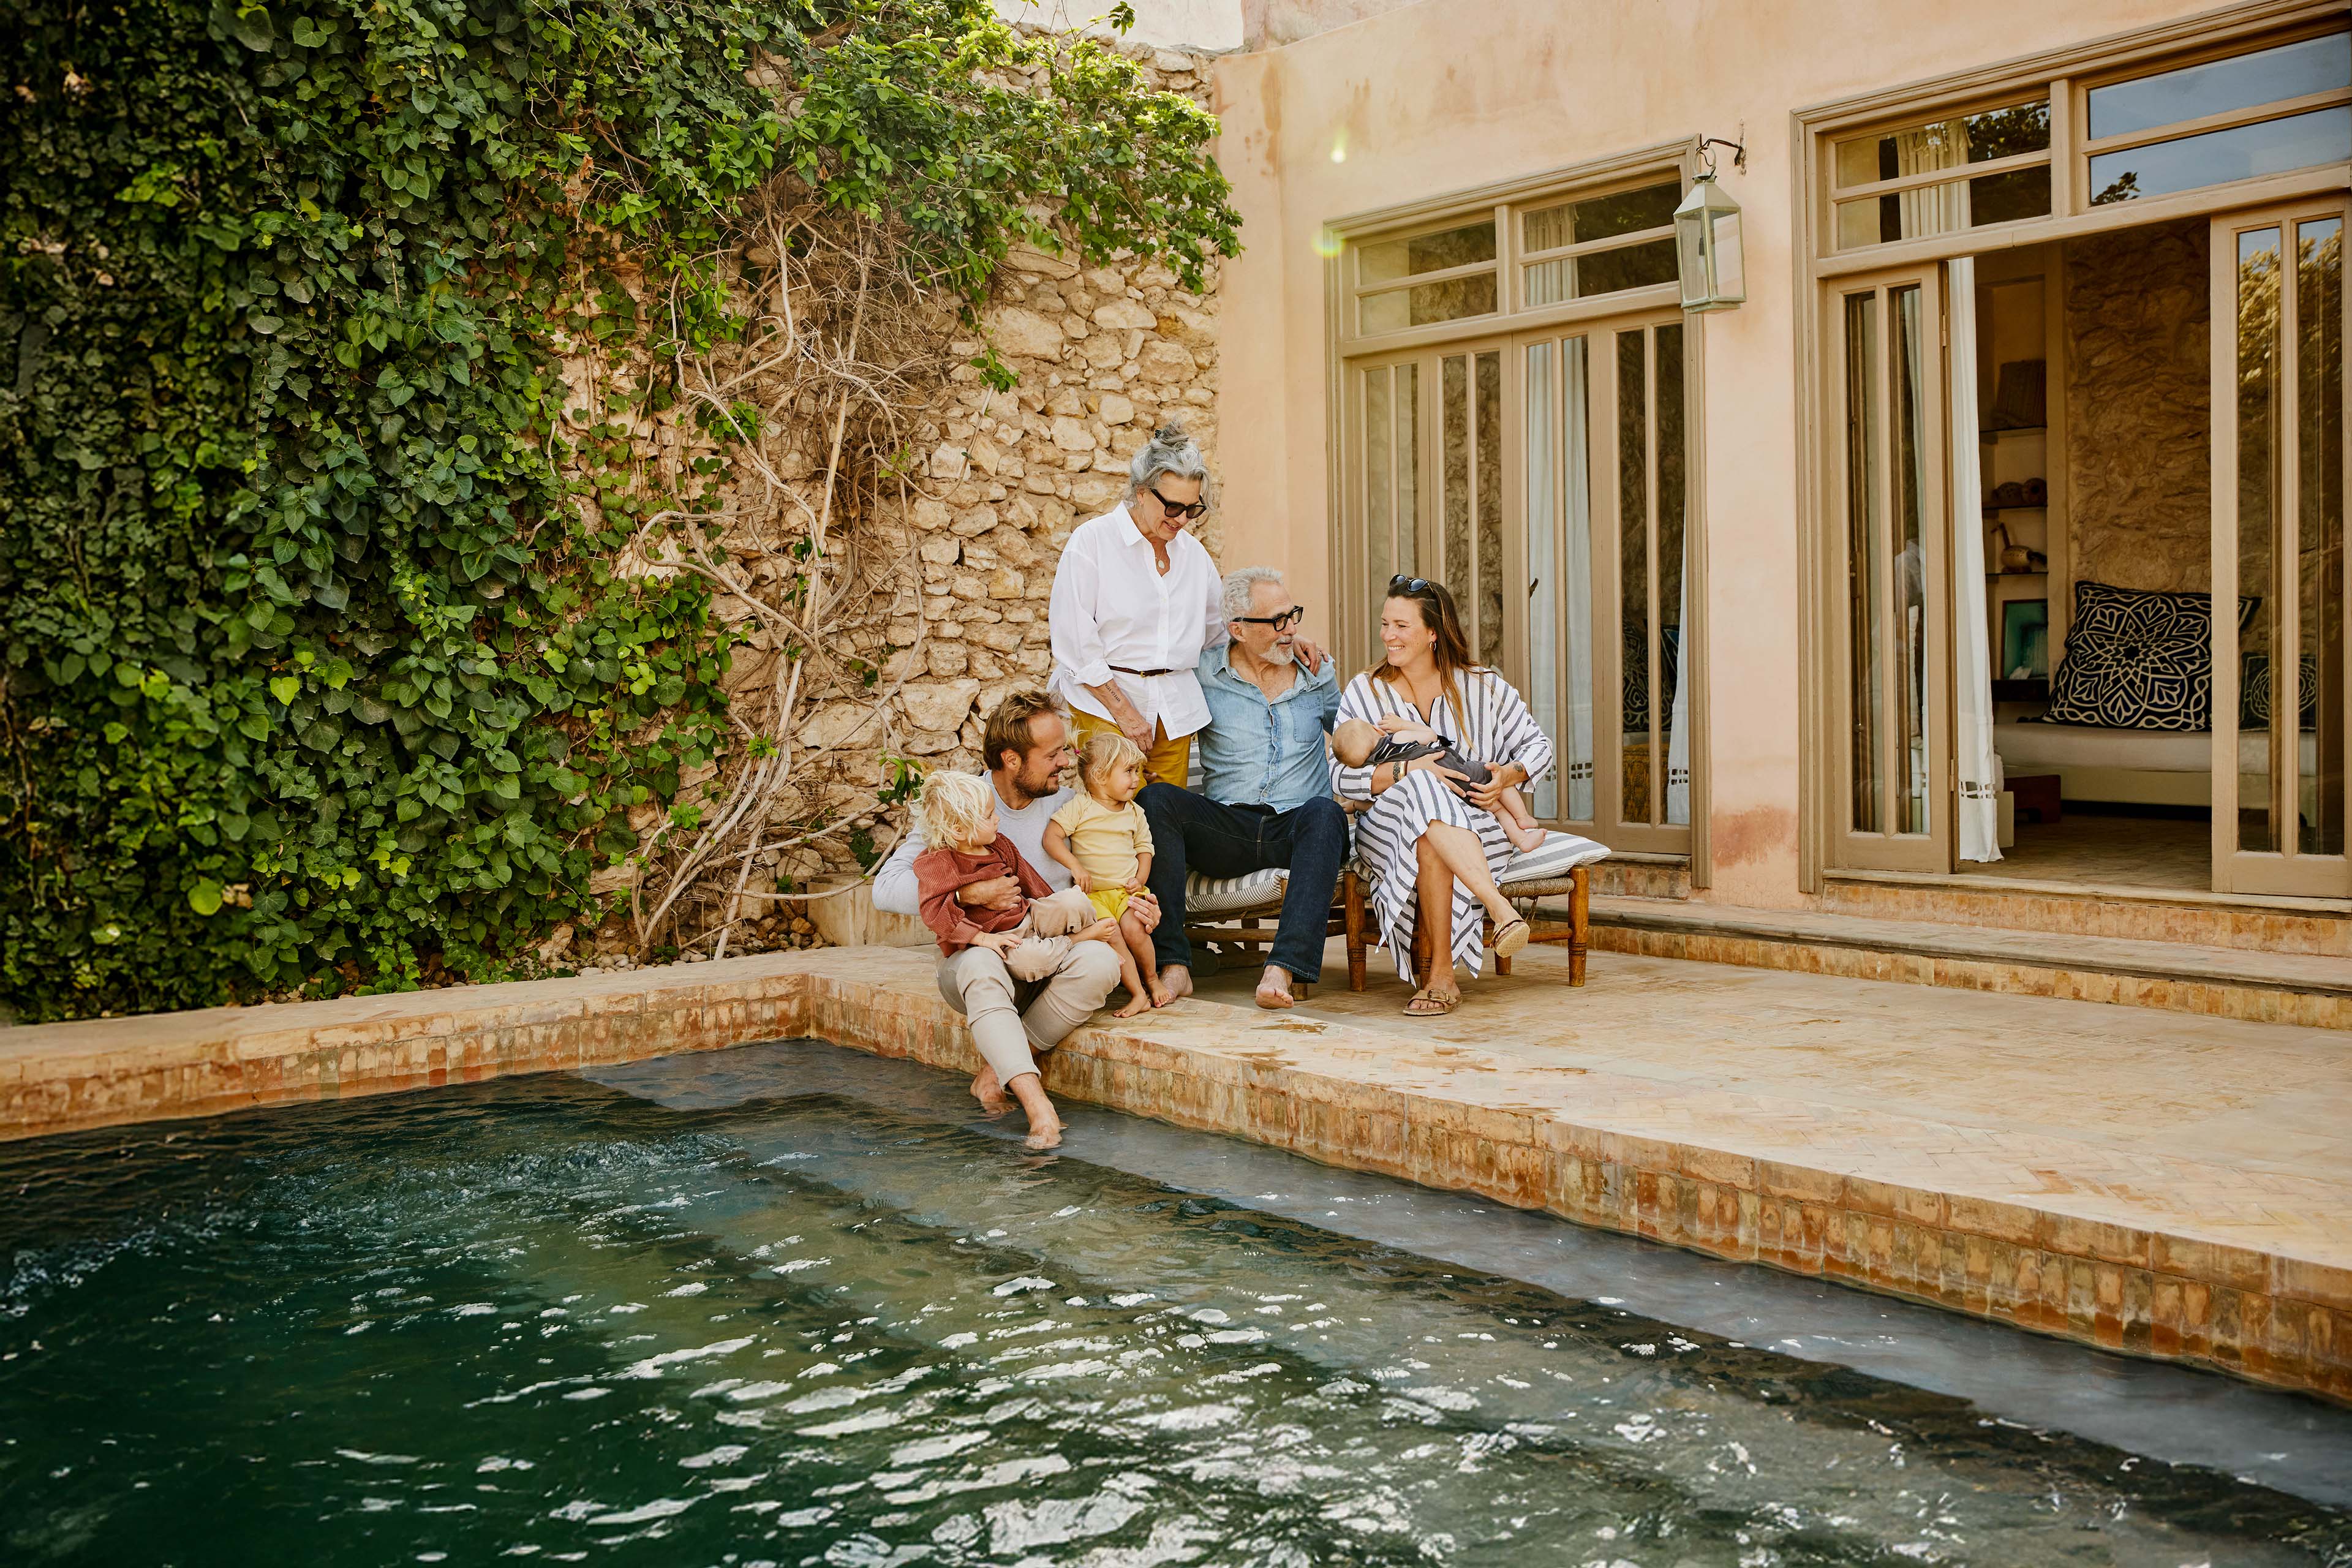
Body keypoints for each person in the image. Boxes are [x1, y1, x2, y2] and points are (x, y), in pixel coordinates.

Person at [872, 688, 1160, 1149]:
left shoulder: (1070, 806)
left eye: (1065, 750)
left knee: (1103, 962)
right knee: (980, 963)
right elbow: (885, 889)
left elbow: (1109, 875)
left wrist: (1140, 903)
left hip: (1045, 948)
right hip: (983, 954)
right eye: (1054, 753)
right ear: (1011, 759)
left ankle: (994, 1074)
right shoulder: (963, 807)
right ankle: (1038, 1106)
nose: (1066, 762)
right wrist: (967, 894)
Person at [1332, 575, 1555, 1018]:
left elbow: (1539, 747)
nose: (1388, 636)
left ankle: (1441, 977)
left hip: (1477, 825)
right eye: (1385, 624)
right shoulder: (1365, 690)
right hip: (1389, 829)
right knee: (1422, 790)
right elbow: (1339, 777)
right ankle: (1497, 909)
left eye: (1401, 626)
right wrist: (1409, 770)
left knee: (1431, 828)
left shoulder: (1484, 686)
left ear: (1433, 633)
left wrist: (1506, 776)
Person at [1141, 567, 1347, 1011]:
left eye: (1293, 615)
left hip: (1296, 830)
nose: (1290, 628)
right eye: (1277, 620)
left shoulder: (1317, 673)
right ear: (1238, 629)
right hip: (1227, 830)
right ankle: (1174, 964)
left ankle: (1282, 968)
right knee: (1156, 801)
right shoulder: (1203, 675)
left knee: (1326, 813)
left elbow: (1351, 739)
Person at [1046, 422, 1223, 790]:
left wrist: (1282, 638)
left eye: (1192, 509)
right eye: (1172, 506)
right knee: (1115, 814)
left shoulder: (1195, 556)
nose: (1182, 519)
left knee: (1168, 814)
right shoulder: (1092, 542)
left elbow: (1219, 635)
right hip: (1103, 704)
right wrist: (1124, 712)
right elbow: (1076, 643)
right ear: (1141, 492)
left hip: (1174, 711)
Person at [911, 771, 1147, 1027]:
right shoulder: (938, 862)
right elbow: (935, 912)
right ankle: (1077, 940)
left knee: (1074, 901)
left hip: (1028, 917)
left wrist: (1058, 912)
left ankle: (1088, 937)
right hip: (1004, 939)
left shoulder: (998, 844)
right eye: (989, 816)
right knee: (1032, 960)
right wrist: (983, 938)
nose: (997, 819)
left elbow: (1029, 881)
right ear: (959, 830)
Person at [1041, 731, 1170, 1009]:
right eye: (1129, 771)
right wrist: (1075, 866)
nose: (1136, 779)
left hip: (1127, 892)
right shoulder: (1080, 806)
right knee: (1114, 938)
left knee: (1136, 931)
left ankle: (1152, 979)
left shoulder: (1135, 812)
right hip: (1093, 897)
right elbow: (1051, 838)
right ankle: (1138, 994)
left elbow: (1145, 849)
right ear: (1100, 776)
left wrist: (1140, 879)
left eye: (1137, 771)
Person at [1332, 714, 1547, 853]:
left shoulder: (1380, 768)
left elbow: (1376, 803)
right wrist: (1401, 725)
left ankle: (1521, 840)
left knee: (1495, 806)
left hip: (1443, 798)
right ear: (1377, 731)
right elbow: (1430, 734)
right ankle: (1522, 818)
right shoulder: (1397, 739)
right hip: (1457, 774)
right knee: (1498, 777)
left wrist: (1354, 804)